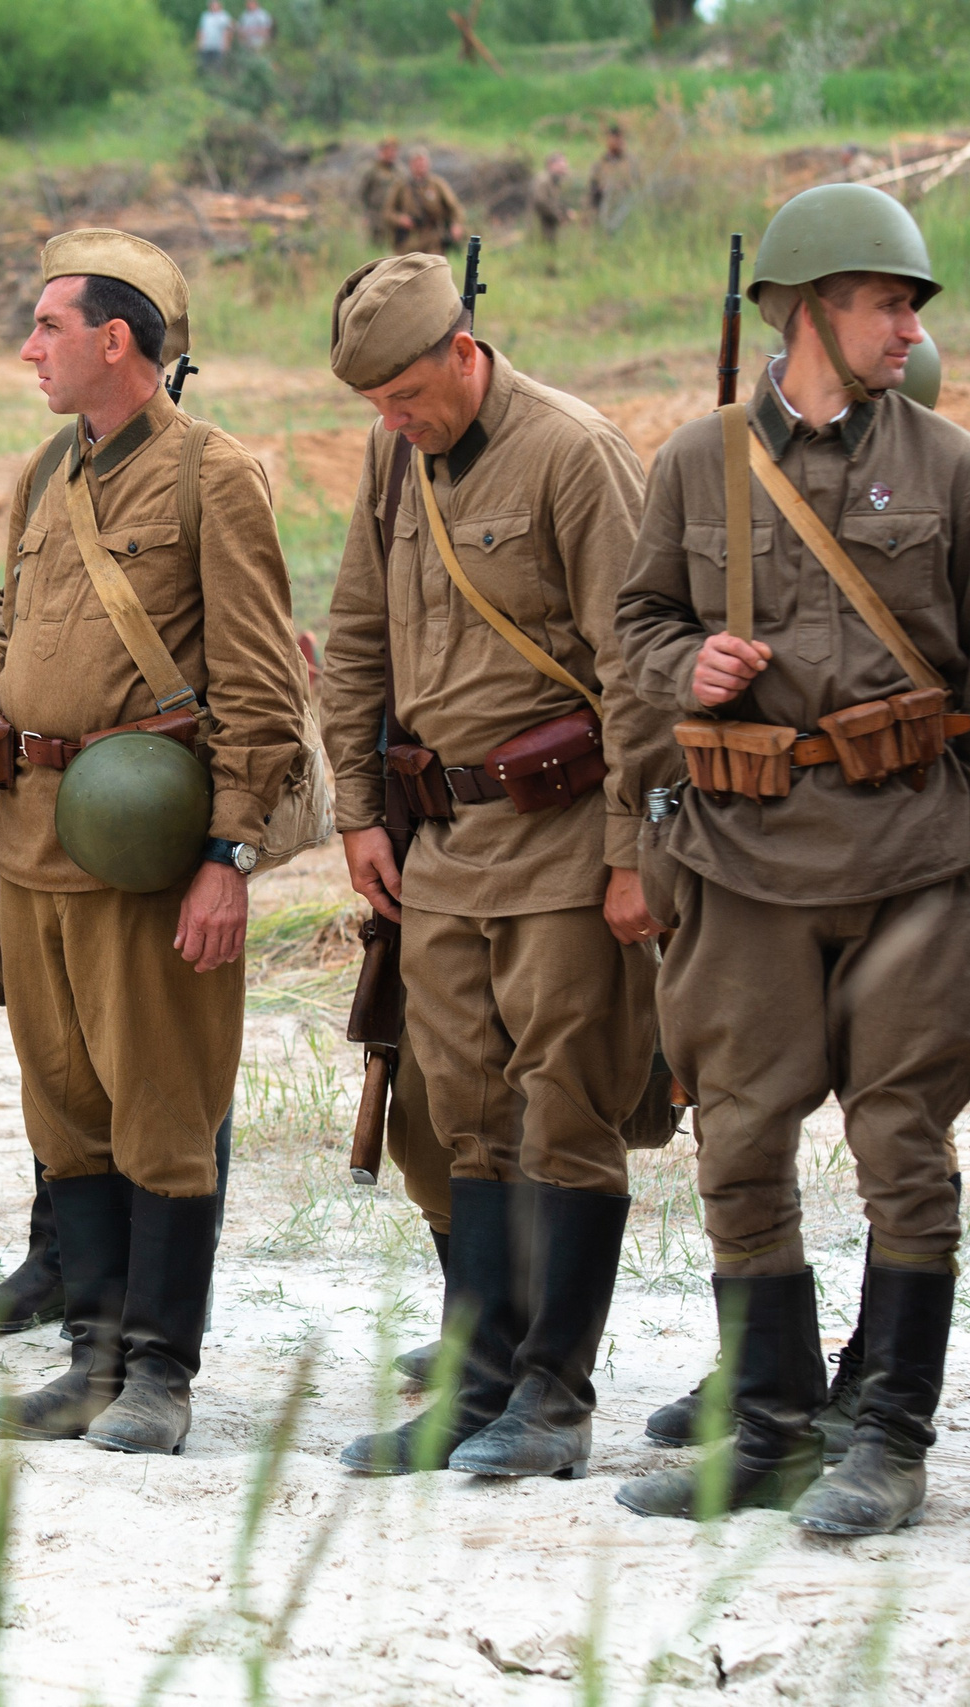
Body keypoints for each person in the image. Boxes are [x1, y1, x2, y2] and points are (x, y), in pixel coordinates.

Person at [612, 184, 970, 1532]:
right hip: (742, 856)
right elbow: (631, 629)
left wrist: (966, 847)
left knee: (903, 1146)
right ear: (808, 306)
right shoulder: (695, 462)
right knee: (738, 1141)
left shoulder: (955, 465)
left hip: (910, 855)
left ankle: (891, 1442)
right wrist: (697, 661)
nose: (907, 325)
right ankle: (778, 1431)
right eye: (886, 301)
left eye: (913, 305)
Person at [0, 230, 314, 1455]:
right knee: (68, 1114)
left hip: (149, 846)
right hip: (34, 843)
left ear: (118, 339)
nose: (28, 347)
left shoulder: (215, 473)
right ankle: (93, 1356)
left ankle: (159, 1374)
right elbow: (2, 634)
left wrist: (231, 858)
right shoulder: (50, 468)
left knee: (162, 1112)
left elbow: (263, 688)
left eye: (48, 325)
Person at [317, 253, 663, 1478]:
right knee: (459, 1108)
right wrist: (358, 810)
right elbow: (355, 634)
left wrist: (634, 857)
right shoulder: (389, 457)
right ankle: (475, 1384)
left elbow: (638, 672)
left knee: (565, 1110)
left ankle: (553, 1400)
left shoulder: (575, 453)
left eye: (409, 396)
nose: (395, 423)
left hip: (567, 833)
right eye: (377, 407)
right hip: (442, 839)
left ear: (464, 353)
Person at [386, 153, 465, 258]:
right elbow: (387, 212)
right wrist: (400, 219)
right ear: (410, 165)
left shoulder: (437, 184)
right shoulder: (401, 186)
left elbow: (455, 207)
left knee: (434, 269)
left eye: (422, 163)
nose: (420, 166)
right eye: (416, 163)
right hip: (408, 239)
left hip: (433, 238)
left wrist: (456, 225)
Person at [358, 140, 406, 250]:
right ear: (381, 152)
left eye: (393, 151)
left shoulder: (400, 171)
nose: (391, 154)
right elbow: (360, 193)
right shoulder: (371, 170)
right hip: (375, 215)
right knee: (375, 246)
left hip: (394, 216)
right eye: (387, 151)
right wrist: (363, 215)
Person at [587, 125, 628, 225]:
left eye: (620, 139)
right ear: (608, 140)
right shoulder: (600, 164)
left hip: (624, 209)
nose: (619, 143)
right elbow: (592, 187)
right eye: (615, 139)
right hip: (603, 209)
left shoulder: (629, 163)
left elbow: (637, 184)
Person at [531, 154, 573, 249]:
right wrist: (559, 217)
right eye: (561, 167)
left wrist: (565, 212)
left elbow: (554, 202)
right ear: (551, 165)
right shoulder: (543, 180)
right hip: (538, 226)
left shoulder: (554, 182)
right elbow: (541, 202)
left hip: (547, 228)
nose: (564, 170)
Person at [195, 0, 231, 73]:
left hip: (218, 46)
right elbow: (201, 30)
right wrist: (199, 43)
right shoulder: (205, 16)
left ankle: (216, 81)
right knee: (205, 65)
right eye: (212, 5)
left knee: (218, 66)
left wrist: (226, 44)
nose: (213, 7)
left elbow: (228, 31)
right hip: (206, 45)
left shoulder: (224, 16)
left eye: (215, 5)